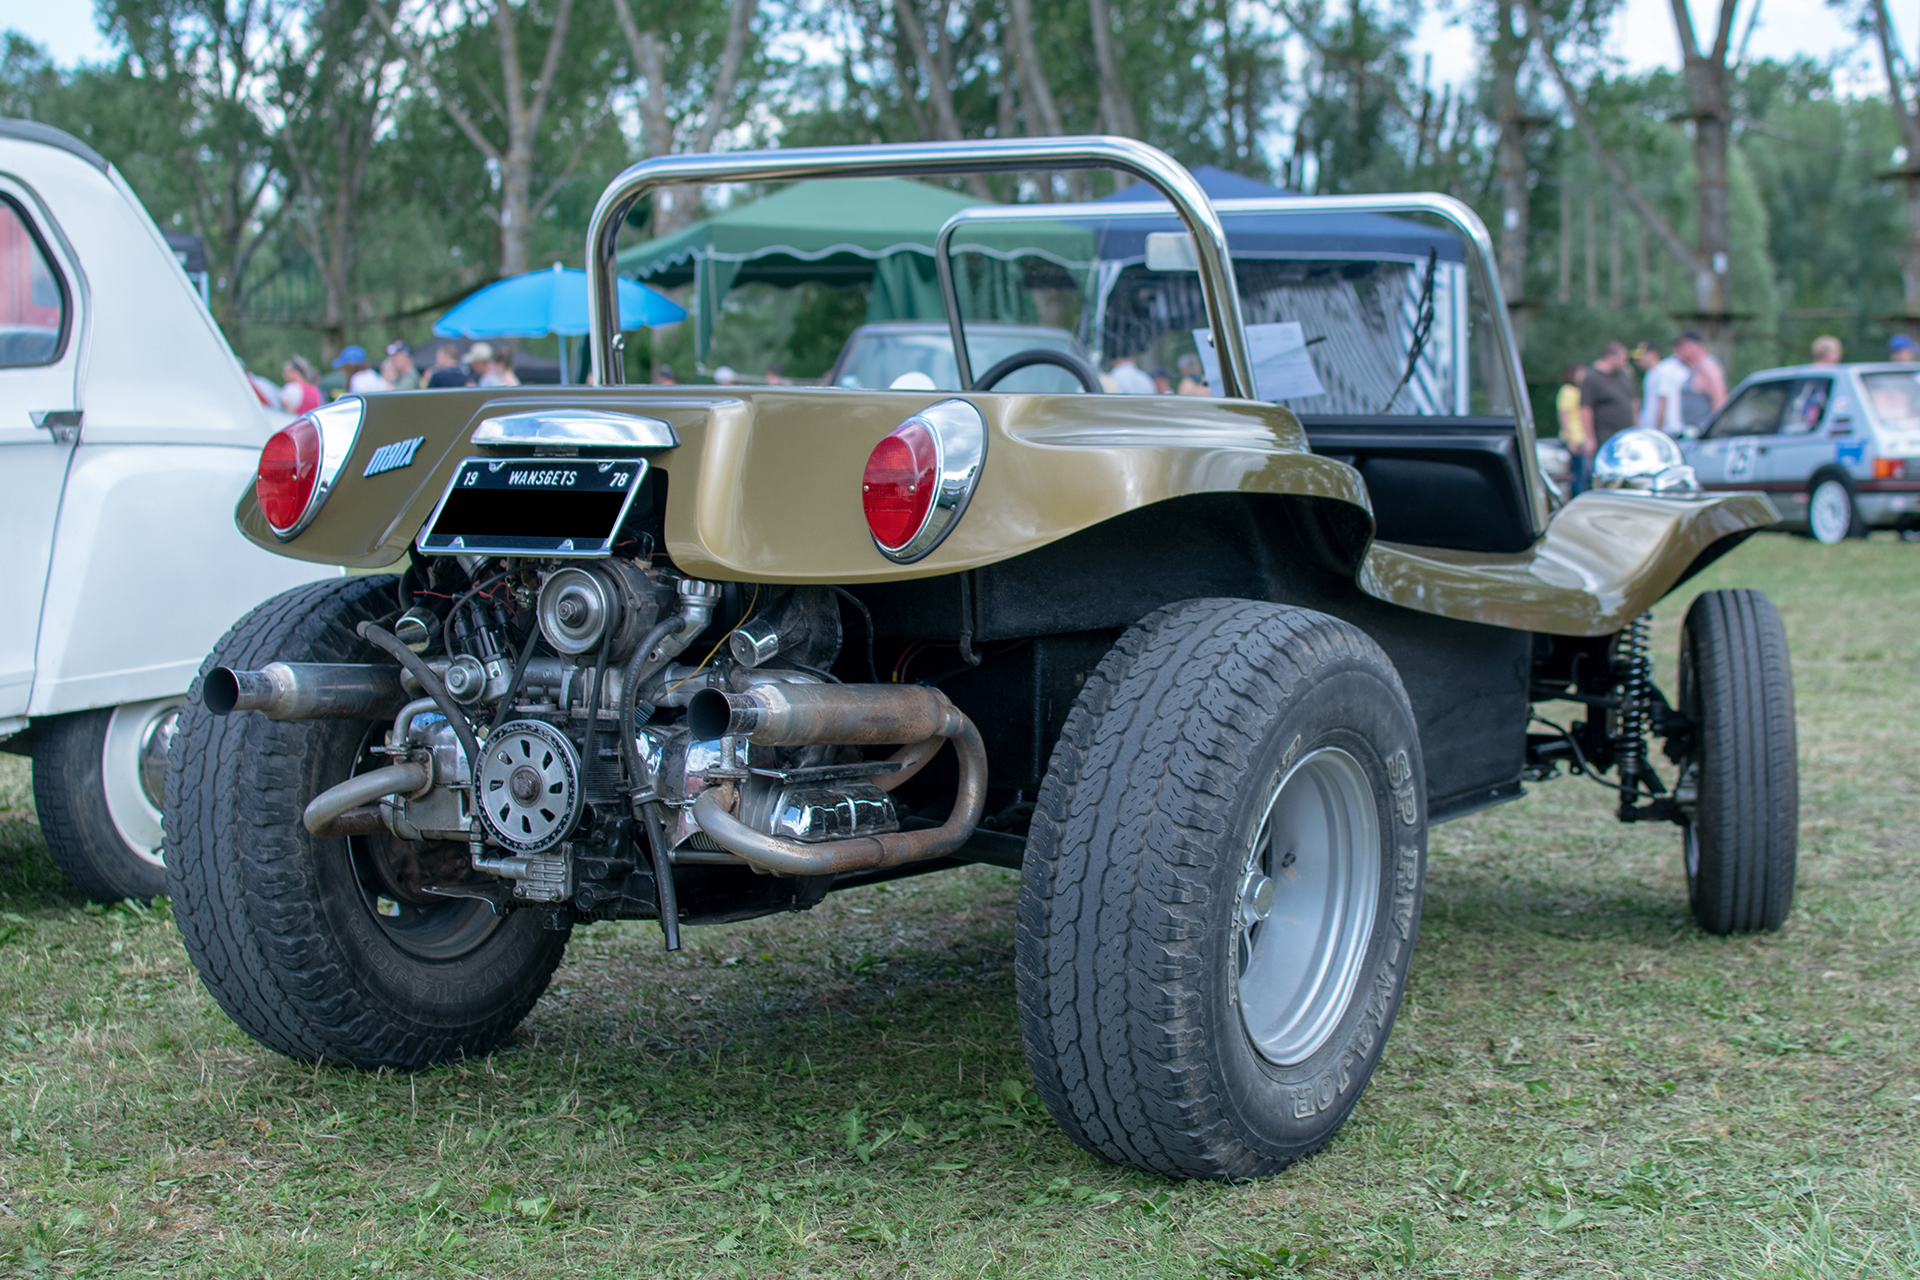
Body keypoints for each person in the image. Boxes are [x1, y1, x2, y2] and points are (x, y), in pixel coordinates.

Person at [1581, 340, 1637, 452]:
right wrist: (1590, 439)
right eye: (1623, 357)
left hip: (1626, 436)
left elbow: (1633, 402)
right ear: (1611, 356)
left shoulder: (1624, 375)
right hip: (1605, 437)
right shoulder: (1592, 378)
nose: (1625, 361)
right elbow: (1586, 409)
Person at [1673, 331, 1727, 430]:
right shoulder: (1695, 368)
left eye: (1681, 346)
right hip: (1693, 432)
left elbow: (1720, 400)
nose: (1677, 350)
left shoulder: (1707, 366)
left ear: (1693, 346)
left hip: (1704, 434)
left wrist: (1713, 429)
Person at [1635, 339, 1689, 435]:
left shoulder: (1662, 372)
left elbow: (1662, 403)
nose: (1638, 360)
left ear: (1653, 353)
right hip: (1651, 430)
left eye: (1642, 356)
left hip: (1665, 432)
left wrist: (1657, 431)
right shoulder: (1650, 374)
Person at [1556, 364, 1592, 493]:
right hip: (1574, 439)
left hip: (1581, 438)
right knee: (1578, 476)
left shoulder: (1580, 391)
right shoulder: (1568, 391)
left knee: (1584, 475)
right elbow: (1563, 414)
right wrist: (1569, 438)